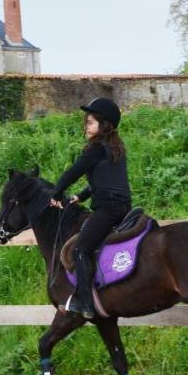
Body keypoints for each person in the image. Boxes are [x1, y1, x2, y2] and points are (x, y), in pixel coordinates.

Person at [48, 97, 132, 317]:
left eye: (91, 122)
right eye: (86, 121)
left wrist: (56, 192)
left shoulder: (96, 148)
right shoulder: (115, 147)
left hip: (108, 209)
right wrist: (81, 196)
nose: (86, 125)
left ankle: (85, 303)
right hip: (122, 206)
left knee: (80, 249)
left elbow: (73, 172)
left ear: (104, 125)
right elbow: (104, 179)